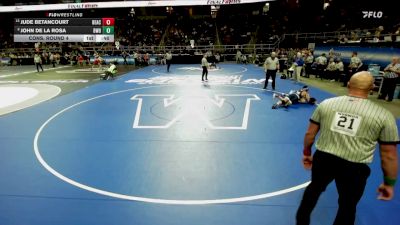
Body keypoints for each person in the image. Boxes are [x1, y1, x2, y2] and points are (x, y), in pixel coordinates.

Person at [296, 71, 399, 225]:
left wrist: (306, 153)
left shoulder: (326, 104)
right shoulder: (384, 116)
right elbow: (389, 155)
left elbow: (310, 133)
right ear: (372, 88)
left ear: (349, 84)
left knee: (314, 190)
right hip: (355, 167)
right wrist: (389, 183)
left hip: (324, 159)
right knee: (347, 205)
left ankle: (301, 222)